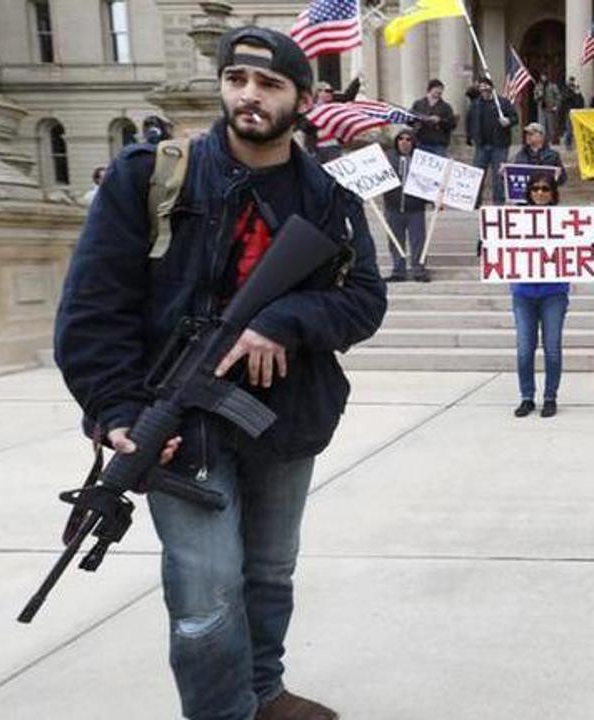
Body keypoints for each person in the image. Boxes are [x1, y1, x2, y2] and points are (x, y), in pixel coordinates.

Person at [53, 25, 387, 720]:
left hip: (285, 419)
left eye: (269, 85)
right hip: (177, 425)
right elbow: (92, 310)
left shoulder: (328, 196)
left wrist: (284, 322)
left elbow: (363, 302)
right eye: (238, 80)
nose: (249, 97)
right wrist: (115, 412)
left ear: (303, 98)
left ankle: (263, 693)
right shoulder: (150, 175)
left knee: (269, 574)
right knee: (205, 596)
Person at [507, 172, 569, 419]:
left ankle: (550, 397)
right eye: (535, 189)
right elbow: (502, 245)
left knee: (552, 348)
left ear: (553, 193)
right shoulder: (515, 219)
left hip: (553, 292)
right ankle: (527, 397)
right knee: (524, 349)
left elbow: (576, 248)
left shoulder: (564, 219)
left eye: (545, 188)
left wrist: (589, 246)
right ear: (528, 192)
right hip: (523, 292)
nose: (540, 193)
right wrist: (487, 244)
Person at [383, 125, 430, 283]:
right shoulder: (388, 157)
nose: (404, 142)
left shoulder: (422, 160)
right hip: (393, 207)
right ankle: (398, 270)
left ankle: (418, 269)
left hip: (415, 208)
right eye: (401, 139)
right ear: (396, 142)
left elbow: (430, 182)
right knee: (395, 240)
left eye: (408, 139)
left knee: (418, 240)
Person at [466, 77, 519, 204]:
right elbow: (469, 121)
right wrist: (470, 137)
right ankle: (475, 203)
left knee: (498, 177)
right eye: (481, 89)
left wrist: (508, 121)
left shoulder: (503, 103)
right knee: (477, 175)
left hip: (499, 145)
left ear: (491, 89)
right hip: (482, 145)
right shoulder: (476, 104)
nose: (484, 91)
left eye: (486, 88)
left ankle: (498, 204)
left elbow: (515, 117)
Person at [411, 79, 457, 157]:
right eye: (437, 89)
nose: (439, 92)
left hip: (438, 144)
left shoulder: (446, 107)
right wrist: (417, 121)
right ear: (430, 89)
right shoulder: (418, 104)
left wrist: (440, 121)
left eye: (441, 90)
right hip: (421, 141)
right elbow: (410, 119)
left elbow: (452, 124)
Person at [514, 122, 566, 187]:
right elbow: (514, 176)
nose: (528, 136)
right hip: (525, 194)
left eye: (531, 134)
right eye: (527, 134)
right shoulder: (521, 154)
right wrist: (504, 174)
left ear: (541, 136)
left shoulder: (553, 155)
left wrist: (558, 176)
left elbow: (562, 179)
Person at [561, 77, 586, 149]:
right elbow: (565, 99)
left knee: (576, 128)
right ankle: (568, 143)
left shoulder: (577, 91)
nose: (572, 83)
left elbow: (581, 101)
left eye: (573, 81)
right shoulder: (566, 90)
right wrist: (573, 93)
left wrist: (578, 94)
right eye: (570, 81)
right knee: (569, 128)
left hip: (577, 111)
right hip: (570, 110)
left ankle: (575, 143)